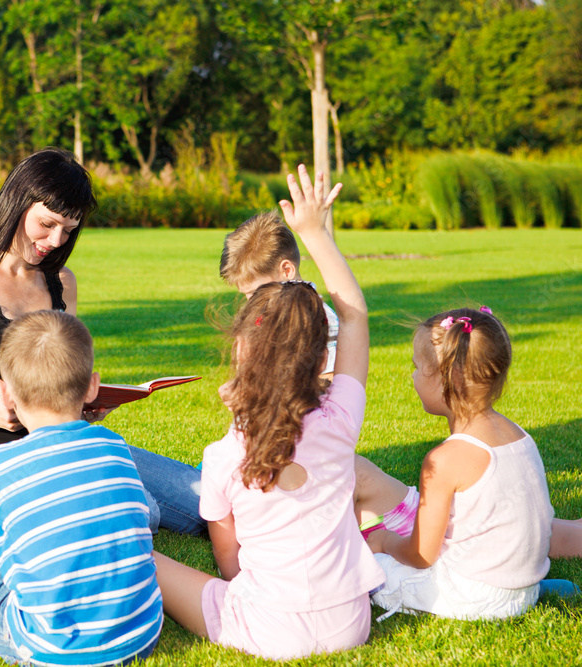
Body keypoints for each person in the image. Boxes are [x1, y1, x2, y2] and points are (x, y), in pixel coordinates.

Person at [0, 147, 203, 534]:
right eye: (48, 223)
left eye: (69, 231)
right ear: (17, 202)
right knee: (113, 520)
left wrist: (84, 401)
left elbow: (60, 373)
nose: (56, 240)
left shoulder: (61, 282)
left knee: (206, 503)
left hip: (70, 443)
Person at [152, 166, 385, 661]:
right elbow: (356, 314)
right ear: (319, 355)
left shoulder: (223, 456)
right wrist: (316, 234)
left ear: (241, 355)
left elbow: (229, 563)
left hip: (270, 631)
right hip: (353, 623)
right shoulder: (341, 420)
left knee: (148, 561)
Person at [0, 310, 162, 666]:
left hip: (46, 650)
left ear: (5, 393)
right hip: (141, 637)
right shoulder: (115, 447)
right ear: (93, 386)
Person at [354, 306, 581, 619]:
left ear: (448, 379)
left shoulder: (445, 459)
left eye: (418, 367)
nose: (412, 375)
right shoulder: (519, 436)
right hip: (524, 588)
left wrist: (385, 540)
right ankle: (536, 592)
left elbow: (420, 555)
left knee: (366, 566)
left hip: (471, 598)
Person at [220, 209, 337, 376]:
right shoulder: (263, 314)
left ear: (287, 270)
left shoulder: (318, 318)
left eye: (255, 292)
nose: (250, 302)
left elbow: (328, 382)